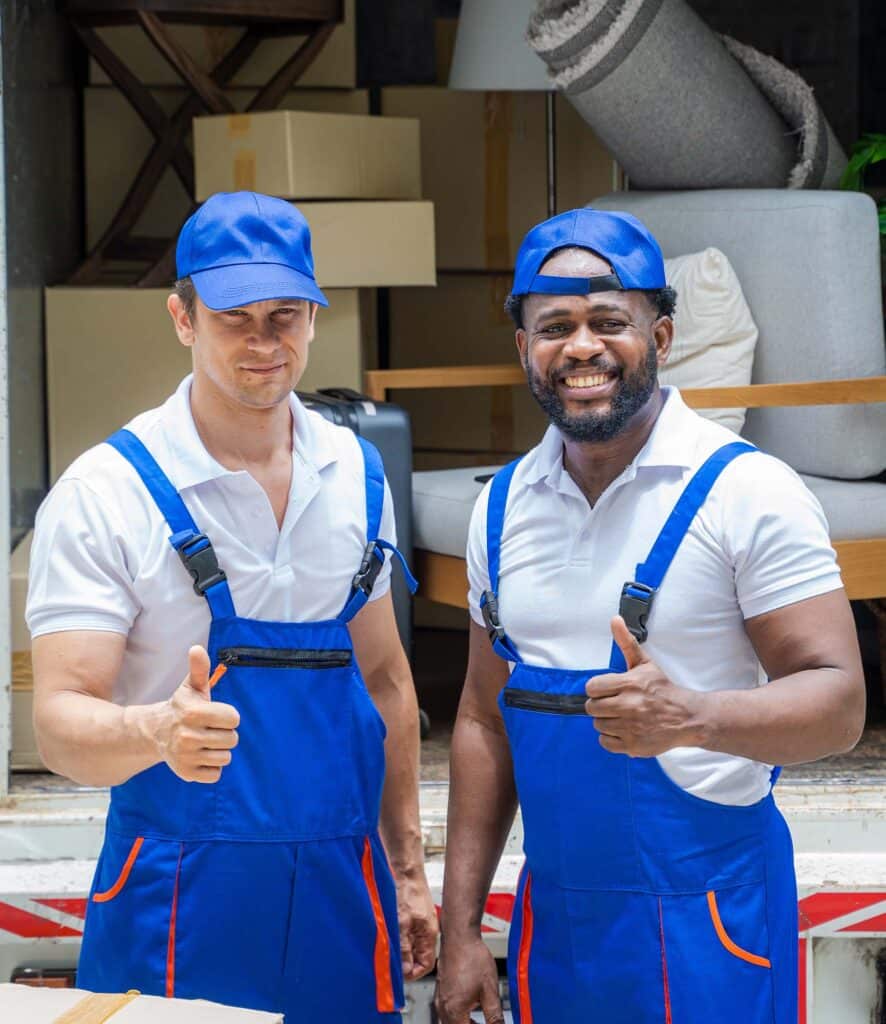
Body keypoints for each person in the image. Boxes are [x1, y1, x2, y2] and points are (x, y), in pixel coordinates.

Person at [434, 208, 865, 1024]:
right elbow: (483, 721)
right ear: (523, 349)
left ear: (662, 337)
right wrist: (461, 933)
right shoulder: (499, 509)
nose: (583, 347)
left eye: (610, 322)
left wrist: (693, 715)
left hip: (709, 924)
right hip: (556, 929)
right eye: (554, 326)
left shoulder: (748, 492)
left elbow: (839, 705)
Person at [27, 190, 437, 1021]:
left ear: (316, 318)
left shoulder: (357, 477)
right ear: (182, 317)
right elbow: (59, 724)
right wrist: (155, 732)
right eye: (233, 317)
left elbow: (388, 683)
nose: (264, 342)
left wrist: (407, 870)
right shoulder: (107, 492)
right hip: (174, 897)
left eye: (285, 314)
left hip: (340, 893)